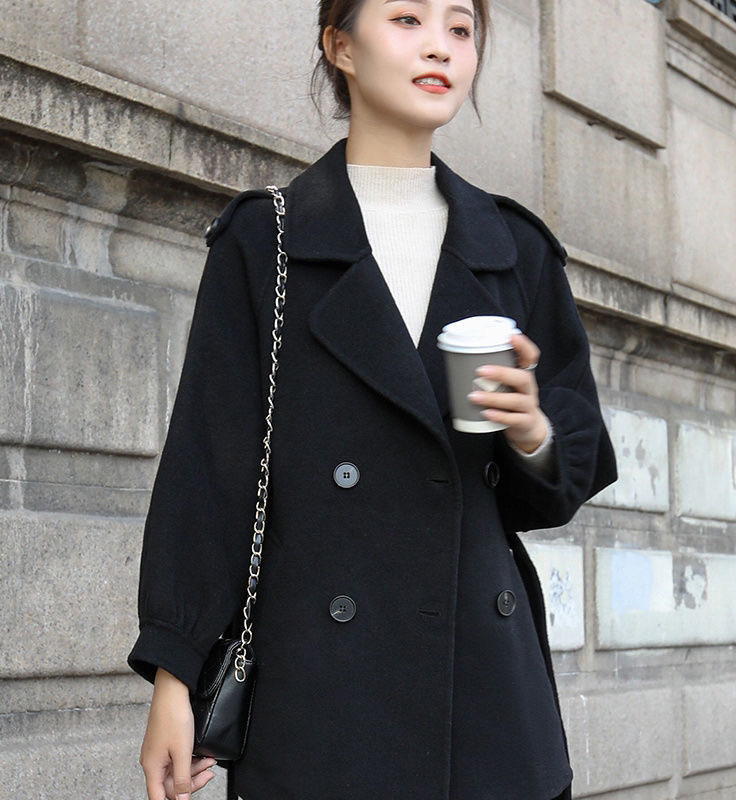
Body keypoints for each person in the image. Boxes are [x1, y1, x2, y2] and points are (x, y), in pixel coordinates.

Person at [129, 1, 617, 798]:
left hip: (488, 712)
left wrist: (532, 430)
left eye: (460, 28)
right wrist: (174, 676)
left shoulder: (514, 250)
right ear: (340, 46)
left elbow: (564, 479)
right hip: (322, 707)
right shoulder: (268, 242)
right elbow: (207, 472)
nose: (440, 47)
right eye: (407, 19)